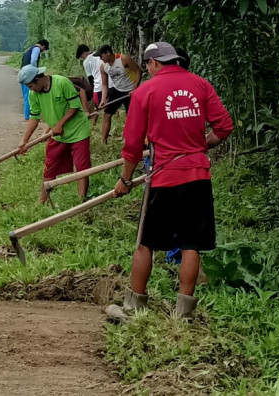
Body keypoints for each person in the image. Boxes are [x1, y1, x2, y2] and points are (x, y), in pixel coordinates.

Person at [106, 41, 233, 323]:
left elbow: (132, 146)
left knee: (145, 242)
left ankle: (133, 307)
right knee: (191, 244)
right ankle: (184, 313)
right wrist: (200, 147)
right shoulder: (200, 84)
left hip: (163, 177)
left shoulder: (145, 91)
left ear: (152, 63)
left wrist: (125, 179)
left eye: (148, 65)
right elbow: (224, 127)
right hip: (197, 175)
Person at [17, 65, 92, 203]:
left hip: (78, 131)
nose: (30, 89)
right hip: (58, 135)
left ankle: (82, 202)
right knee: (49, 166)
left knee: (82, 167)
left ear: (38, 79)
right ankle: (42, 202)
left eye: (31, 86)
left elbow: (75, 106)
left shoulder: (61, 82)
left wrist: (60, 124)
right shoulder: (34, 94)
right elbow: (34, 118)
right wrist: (24, 141)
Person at [98, 45, 142, 143]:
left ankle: (131, 140)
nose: (100, 59)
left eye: (101, 56)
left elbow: (138, 71)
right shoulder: (103, 66)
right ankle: (103, 141)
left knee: (131, 117)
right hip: (116, 90)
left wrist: (134, 89)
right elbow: (104, 84)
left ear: (108, 53)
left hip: (130, 90)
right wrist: (103, 99)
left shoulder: (123, 59)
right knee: (106, 115)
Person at [20, 39, 50, 120]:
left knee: (26, 95)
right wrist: (35, 71)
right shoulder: (36, 49)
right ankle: (30, 116)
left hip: (22, 73)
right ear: (43, 46)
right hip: (29, 75)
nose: (43, 51)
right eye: (44, 49)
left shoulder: (29, 49)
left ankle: (27, 115)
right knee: (30, 95)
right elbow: (33, 60)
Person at [76, 45, 103, 126]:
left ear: (84, 54)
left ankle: (93, 123)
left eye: (82, 56)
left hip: (98, 85)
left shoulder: (86, 62)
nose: (83, 58)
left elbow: (90, 78)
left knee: (96, 105)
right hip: (110, 82)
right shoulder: (99, 54)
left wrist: (93, 89)